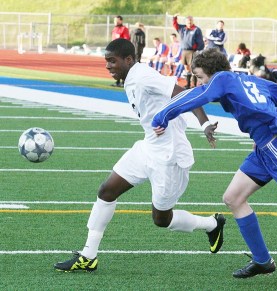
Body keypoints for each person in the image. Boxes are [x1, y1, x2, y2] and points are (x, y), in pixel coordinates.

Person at [54, 40, 225, 273]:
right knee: (107, 191)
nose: (108, 66)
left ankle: (212, 224)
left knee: (161, 219)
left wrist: (204, 123)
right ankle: (88, 255)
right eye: (106, 61)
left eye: (112, 61)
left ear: (128, 60)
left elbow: (183, 93)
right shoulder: (131, 79)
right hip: (147, 147)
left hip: (169, 156)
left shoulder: (142, 75)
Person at [152, 48, 277, 279]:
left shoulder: (221, 79)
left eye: (200, 76)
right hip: (264, 148)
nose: (199, 81)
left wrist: (161, 116)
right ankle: (263, 261)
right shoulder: (244, 78)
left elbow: (194, 96)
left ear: (212, 72)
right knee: (233, 198)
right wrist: (271, 125)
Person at [173, 14, 204, 89]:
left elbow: (200, 41)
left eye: (190, 20)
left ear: (193, 21)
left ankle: (195, 84)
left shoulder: (196, 29)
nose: (189, 22)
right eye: (188, 21)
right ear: (186, 21)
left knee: (193, 67)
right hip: (184, 51)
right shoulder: (182, 28)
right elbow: (175, 25)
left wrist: (197, 49)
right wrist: (174, 18)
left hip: (192, 51)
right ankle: (188, 84)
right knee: (186, 68)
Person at [111, 15, 130, 87]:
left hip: (121, 51)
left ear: (121, 21)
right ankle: (117, 81)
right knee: (115, 67)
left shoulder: (124, 29)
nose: (115, 22)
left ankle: (123, 82)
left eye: (117, 20)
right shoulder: (114, 29)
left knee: (122, 66)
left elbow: (126, 39)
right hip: (115, 50)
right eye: (114, 20)